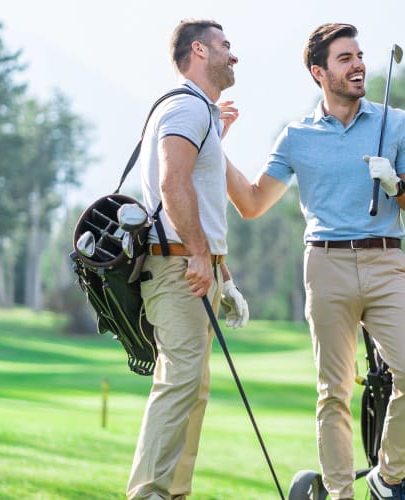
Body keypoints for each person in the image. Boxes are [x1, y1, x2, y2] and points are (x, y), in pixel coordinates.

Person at [224, 22, 405, 500]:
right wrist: (216, 147)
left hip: (385, 264)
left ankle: (387, 477)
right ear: (320, 72)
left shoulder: (394, 123)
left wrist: (397, 187)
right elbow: (253, 203)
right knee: (333, 390)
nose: (358, 64)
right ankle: (340, 494)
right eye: (345, 58)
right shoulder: (297, 136)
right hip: (325, 266)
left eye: (359, 56)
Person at [127, 18, 251, 499]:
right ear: (198, 50)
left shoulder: (201, 110)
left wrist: (222, 270)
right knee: (178, 385)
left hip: (195, 268)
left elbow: (198, 189)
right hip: (179, 269)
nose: (232, 54)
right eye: (225, 45)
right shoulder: (185, 106)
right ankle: (149, 494)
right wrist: (200, 255)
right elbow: (172, 183)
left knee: (192, 393)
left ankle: (173, 494)